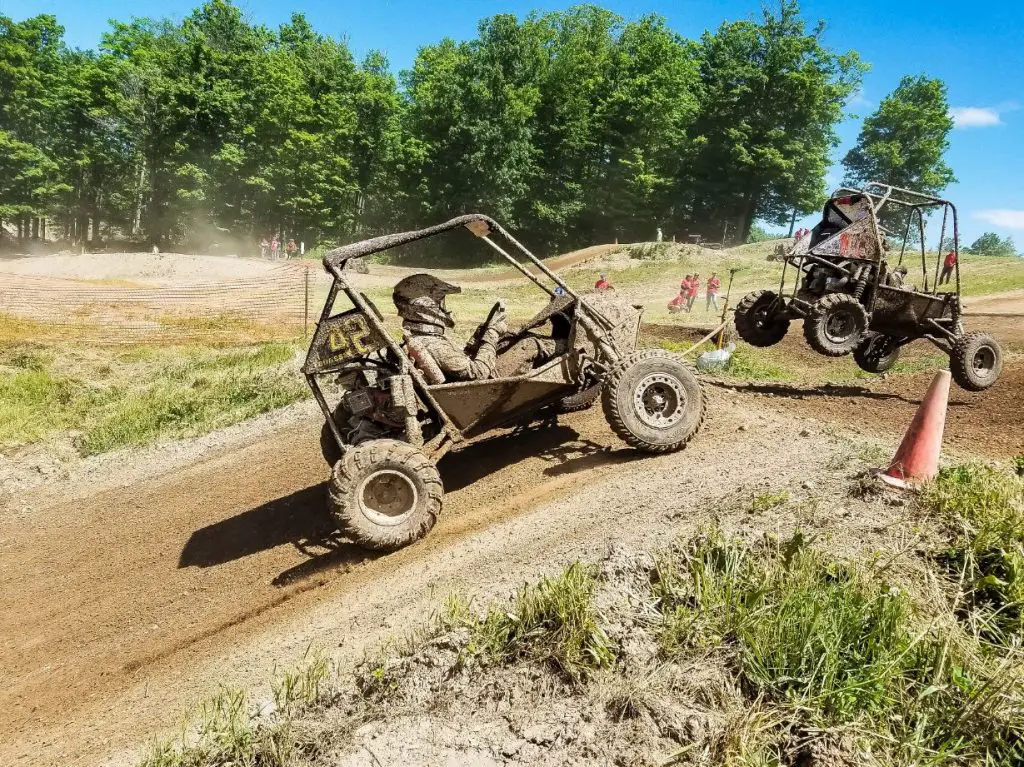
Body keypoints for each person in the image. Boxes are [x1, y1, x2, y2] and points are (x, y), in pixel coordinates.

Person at [393, 274, 562, 382]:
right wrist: (492, 333)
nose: (443, 308)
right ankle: (569, 348)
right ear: (426, 308)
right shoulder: (433, 343)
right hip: (487, 385)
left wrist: (481, 335)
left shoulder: (422, 335)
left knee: (509, 337)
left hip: (471, 383)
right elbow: (478, 373)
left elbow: (460, 359)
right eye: (439, 303)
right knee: (531, 344)